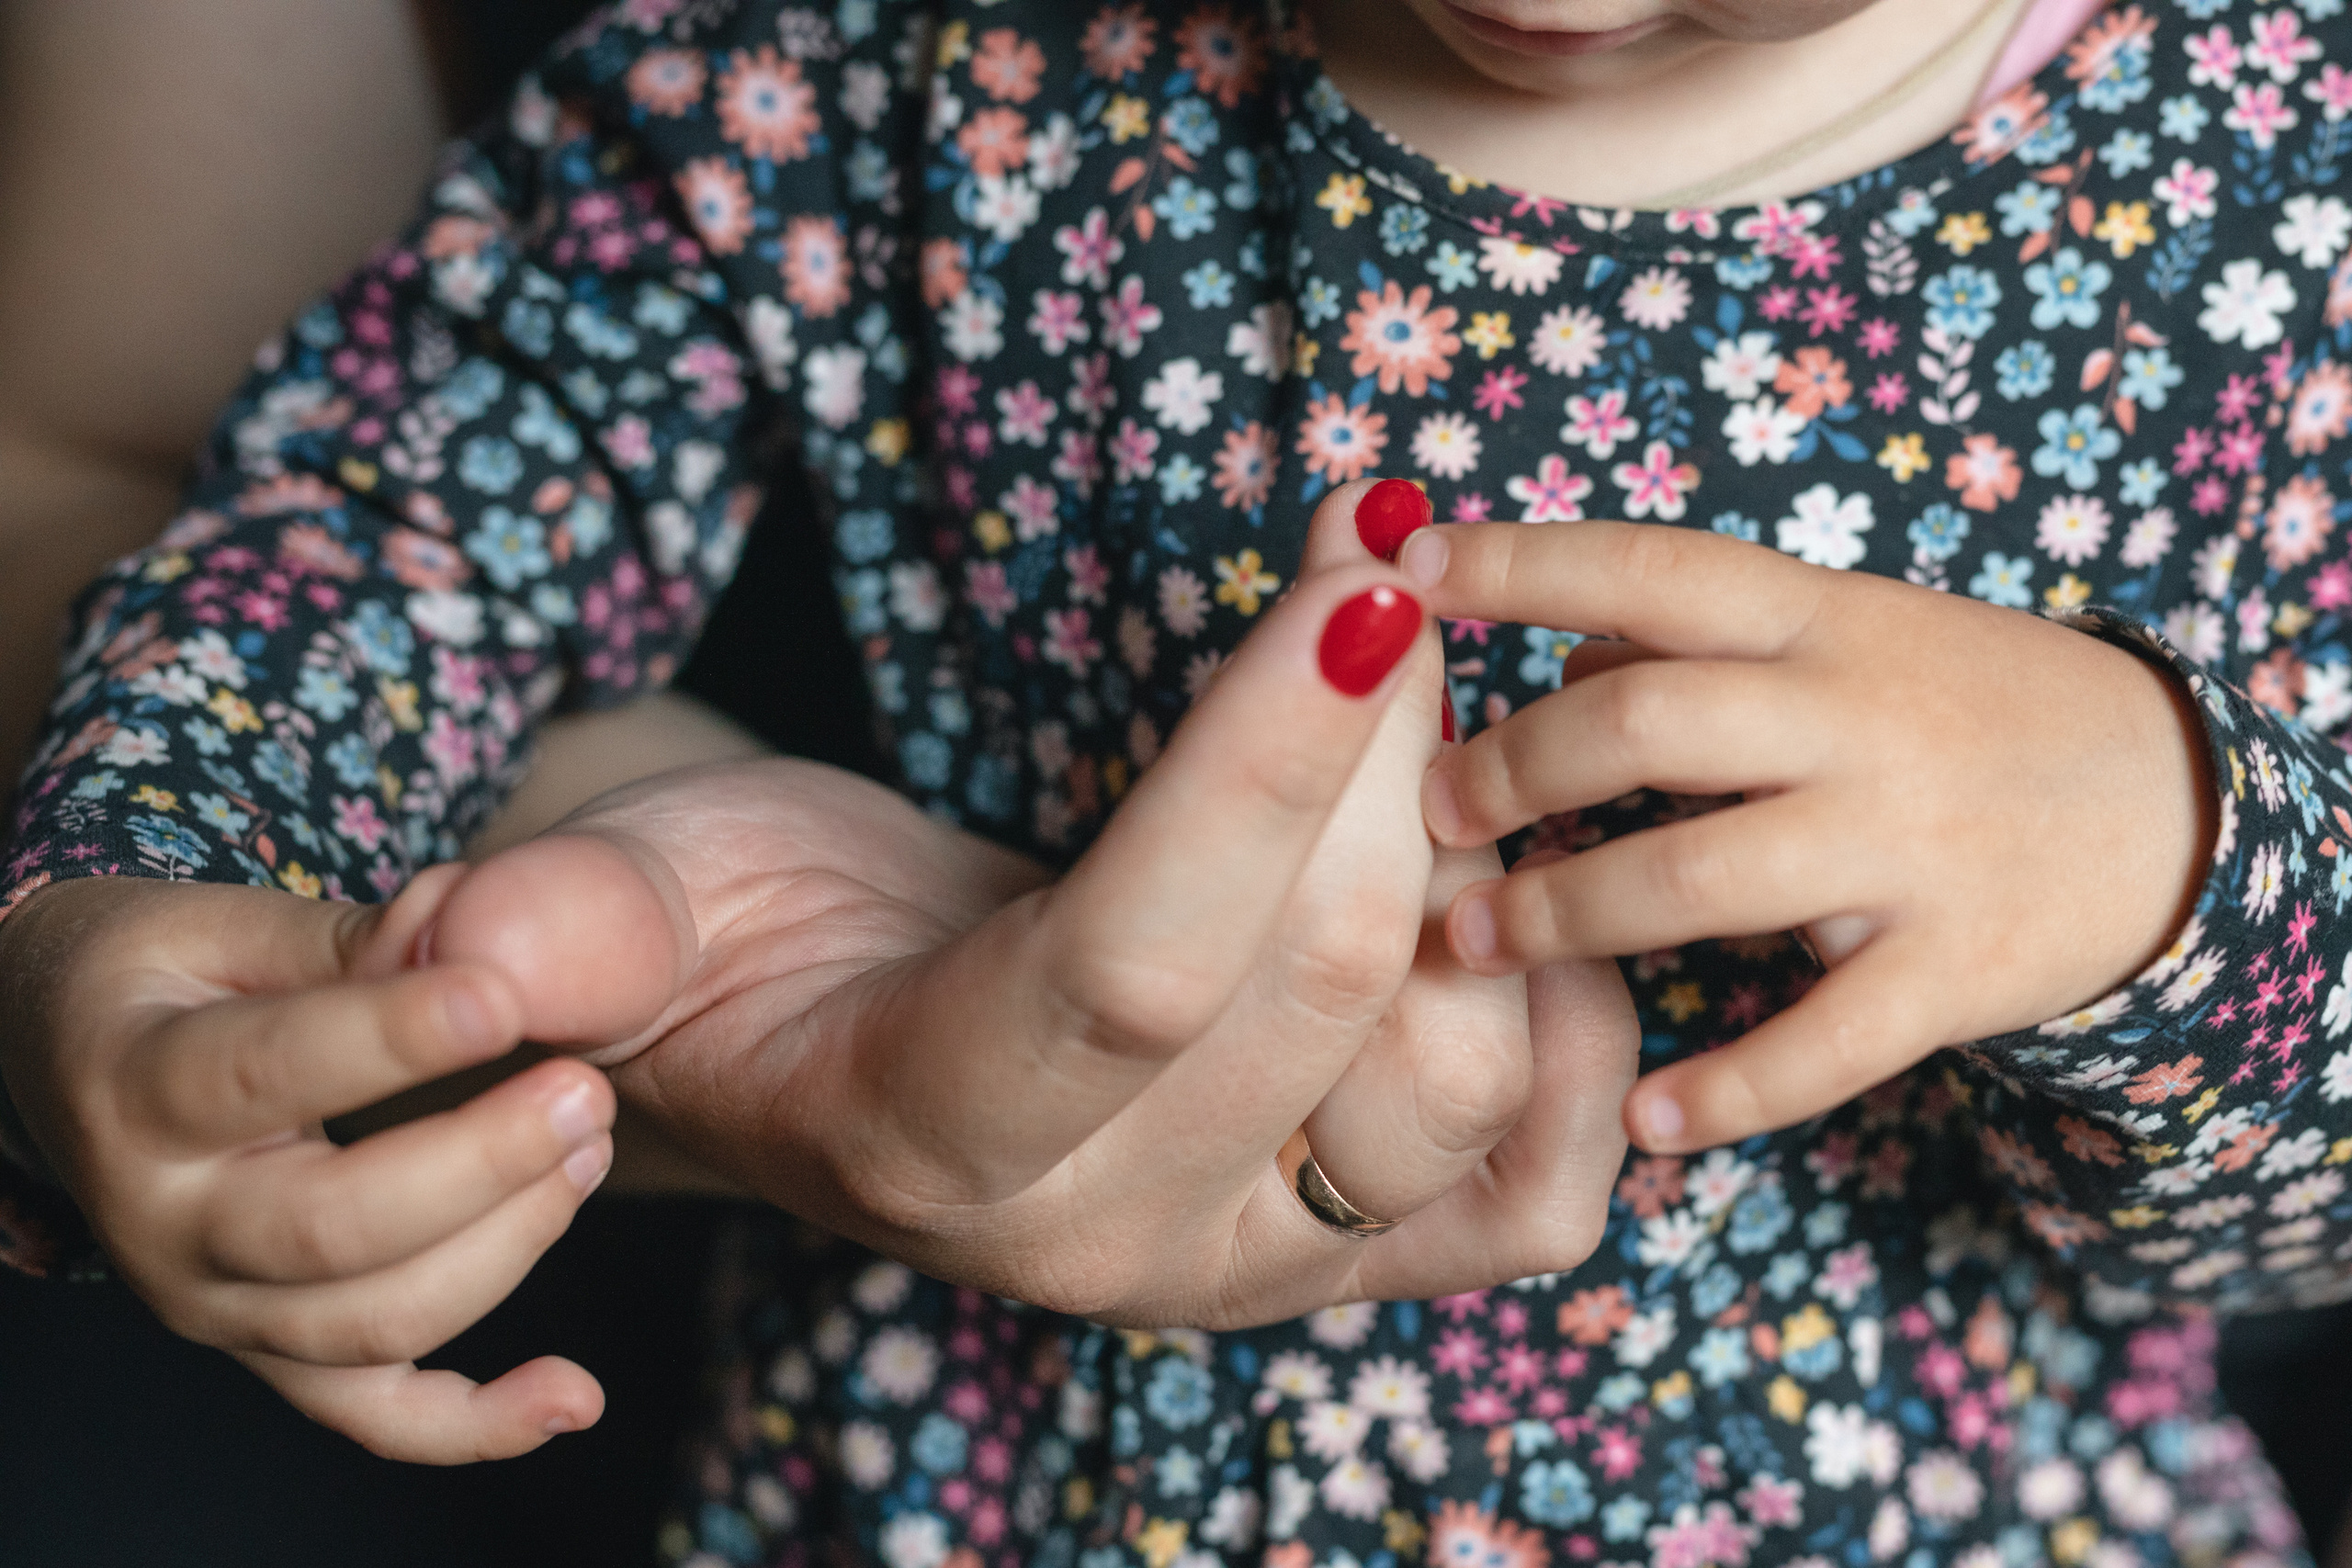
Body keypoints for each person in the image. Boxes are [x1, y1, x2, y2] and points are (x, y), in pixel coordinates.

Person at [2, 0, 2346, 1563]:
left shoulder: (2274, 158)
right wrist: (151, 886)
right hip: (972, 1469)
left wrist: (2159, 849)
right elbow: (412, 502)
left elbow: (2292, 1237)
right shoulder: (898, 50)